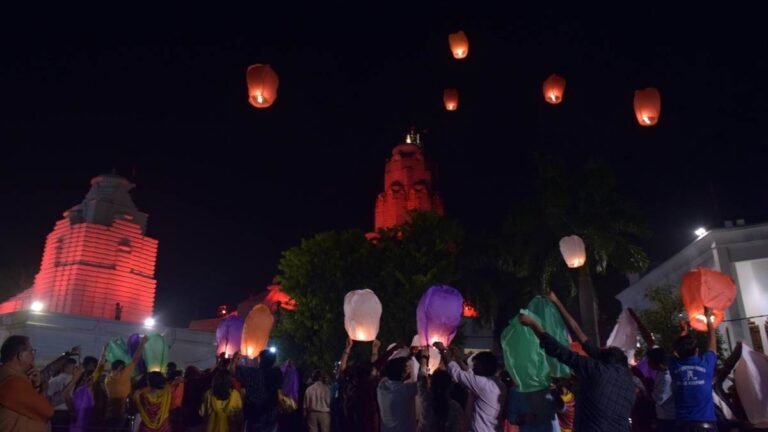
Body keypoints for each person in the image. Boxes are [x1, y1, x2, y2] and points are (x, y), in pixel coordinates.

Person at [519, 312, 635, 432]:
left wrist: (534, 325)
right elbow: (586, 343)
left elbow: (560, 351)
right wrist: (557, 303)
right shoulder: (629, 382)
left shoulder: (596, 369)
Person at [434, 342, 504, 432]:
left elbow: (456, 372)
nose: (473, 369)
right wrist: (458, 359)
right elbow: (470, 374)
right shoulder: (498, 384)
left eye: (476, 366)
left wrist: (442, 350)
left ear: (484, 366)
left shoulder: (482, 384)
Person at [669, 306, 718, 432]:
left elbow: (674, 351)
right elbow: (713, 344)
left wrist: (683, 332)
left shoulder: (674, 365)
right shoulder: (706, 363)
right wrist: (708, 319)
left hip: (683, 426)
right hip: (706, 426)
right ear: (697, 351)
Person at [0, 335, 55, 431]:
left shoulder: (9, 377)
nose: (33, 356)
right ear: (20, 356)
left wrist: (36, 386)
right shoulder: (14, 383)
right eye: (31, 351)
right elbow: (47, 411)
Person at [233, 349, 284, 432]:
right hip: (271, 416)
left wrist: (235, 358)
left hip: (254, 415)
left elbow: (233, 370)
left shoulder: (253, 373)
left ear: (261, 360)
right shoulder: (277, 373)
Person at [105, 334, 148, 429]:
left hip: (109, 409)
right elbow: (136, 359)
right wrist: (142, 343)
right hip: (121, 408)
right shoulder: (123, 374)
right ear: (120, 368)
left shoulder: (108, 379)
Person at [415, 348, 464, 432]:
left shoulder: (426, 399)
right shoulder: (455, 407)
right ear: (450, 386)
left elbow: (422, 379)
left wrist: (424, 358)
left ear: (431, 383)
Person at [378, 356, 417, 432]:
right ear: (403, 374)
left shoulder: (381, 386)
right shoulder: (405, 390)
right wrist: (412, 368)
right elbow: (416, 382)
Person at [646, 347, 675, 432]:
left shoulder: (667, 377)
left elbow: (658, 399)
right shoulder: (660, 373)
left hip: (668, 418)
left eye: (649, 360)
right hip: (662, 416)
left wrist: (646, 391)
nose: (648, 363)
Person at [48, 357, 77, 431]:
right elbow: (67, 396)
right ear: (66, 368)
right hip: (65, 411)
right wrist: (72, 411)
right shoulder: (70, 378)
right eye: (73, 367)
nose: (75, 370)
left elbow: (49, 396)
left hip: (55, 412)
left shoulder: (52, 380)